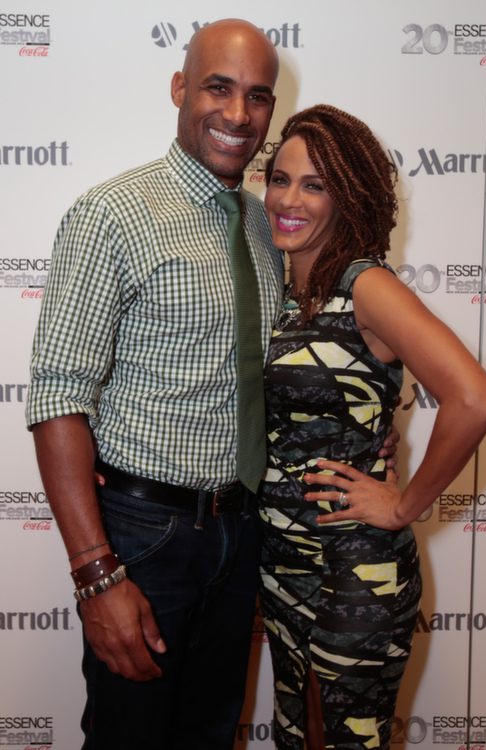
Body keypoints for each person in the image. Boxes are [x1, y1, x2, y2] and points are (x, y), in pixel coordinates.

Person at [25, 19, 398, 749]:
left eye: (257, 97)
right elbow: (57, 397)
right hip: (146, 536)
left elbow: (316, 356)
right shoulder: (113, 215)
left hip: (245, 533)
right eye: (218, 88)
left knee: (210, 735)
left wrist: (372, 433)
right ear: (179, 89)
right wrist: (97, 576)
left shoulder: (271, 225)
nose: (237, 114)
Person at [257, 104, 486, 750]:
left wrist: (401, 505)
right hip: (284, 566)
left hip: (355, 569)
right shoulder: (286, 295)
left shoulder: (366, 286)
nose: (289, 199)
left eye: (315, 185)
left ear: (350, 195)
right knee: (299, 733)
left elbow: (475, 399)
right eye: (279, 179)